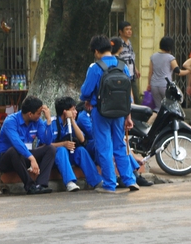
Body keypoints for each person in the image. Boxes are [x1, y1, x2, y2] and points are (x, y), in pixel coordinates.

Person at [80, 35, 138, 194]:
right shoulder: (122, 65)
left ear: (97, 51)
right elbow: (128, 95)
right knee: (120, 145)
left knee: (104, 147)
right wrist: (128, 115)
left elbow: (85, 91)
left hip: (101, 112)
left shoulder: (95, 67)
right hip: (120, 112)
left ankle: (110, 184)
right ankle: (129, 179)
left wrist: (86, 100)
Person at [0, 96, 56, 195]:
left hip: (25, 157)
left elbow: (47, 141)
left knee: (50, 149)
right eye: (38, 113)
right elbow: (17, 143)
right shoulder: (10, 121)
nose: (40, 116)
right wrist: (32, 158)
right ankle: (30, 186)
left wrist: (48, 121)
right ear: (30, 114)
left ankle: (41, 184)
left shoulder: (37, 121)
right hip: (6, 159)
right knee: (14, 150)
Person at [51, 96, 102, 191]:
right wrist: (63, 144)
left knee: (81, 150)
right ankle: (70, 182)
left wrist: (73, 121)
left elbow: (82, 139)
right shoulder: (52, 123)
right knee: (61, 150)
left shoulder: (71, 123)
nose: (76, 112)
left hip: (68, 157)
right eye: (73, 109)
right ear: (65, 111)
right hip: (55, 159)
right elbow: (44, 146)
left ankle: (96, 181)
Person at [148, 36, 187, 113]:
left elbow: (150, 72)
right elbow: (178, 71)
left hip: (154, 85)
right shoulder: (170, 58)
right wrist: (189, 71)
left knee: (158, 109)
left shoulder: (153, 56)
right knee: (169, 109)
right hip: (165, 86)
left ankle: (149, 123)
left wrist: (149, 84)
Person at [117, 21, 141, 104]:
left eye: (130, 29)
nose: (129, 31)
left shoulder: (129, 43)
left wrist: (136, 69)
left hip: (131, 75)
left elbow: (131, 58)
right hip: (123, 74)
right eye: (127, 29)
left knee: (136, 97)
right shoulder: (118, 43)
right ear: (120, 31)